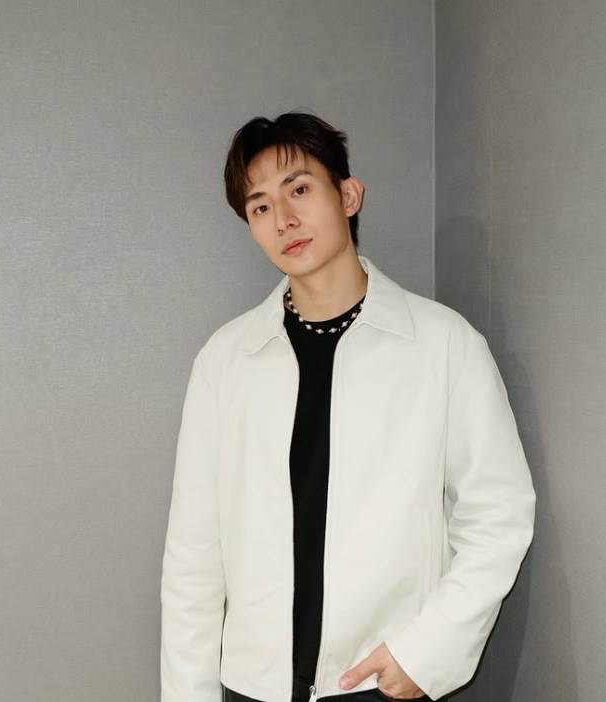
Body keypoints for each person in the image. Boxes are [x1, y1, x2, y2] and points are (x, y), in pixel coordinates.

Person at [160, 112, 536, 702]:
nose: (283, 220)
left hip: (381, 679)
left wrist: (425, 653)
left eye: (299, 190)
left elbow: (499, 513)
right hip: (253, 686)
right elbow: (193, 555)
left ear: (348, 195)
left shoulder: (444, 344)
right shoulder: (225, 360)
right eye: (260, 207)